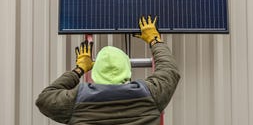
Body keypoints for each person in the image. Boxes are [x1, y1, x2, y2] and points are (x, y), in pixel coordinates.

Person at [35, 15, 180, 125]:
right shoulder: (152, 94)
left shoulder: (76, 99)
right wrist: (155, 40)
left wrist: (79, 70)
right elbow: (169, 69)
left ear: (95, 72)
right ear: (127, 70)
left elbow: (44, 99)